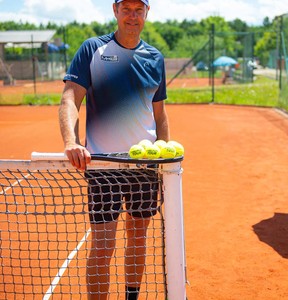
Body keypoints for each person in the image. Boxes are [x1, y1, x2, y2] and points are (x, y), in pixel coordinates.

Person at [58, 0, 170, 299]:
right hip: (103, 166)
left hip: (144, 168)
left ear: (147, 12)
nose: (132, 15)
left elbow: (159, 114)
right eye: (126, 8)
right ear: (115, 10)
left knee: (137, 237)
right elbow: (70, 99)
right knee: (103, 244)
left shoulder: (155, 57)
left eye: (138, 9)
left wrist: (164, 156)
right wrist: (71, 141)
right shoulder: (92, 49)